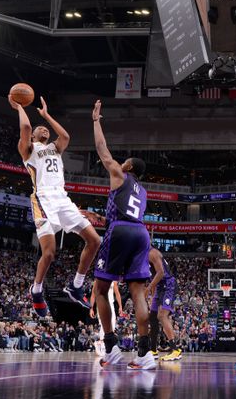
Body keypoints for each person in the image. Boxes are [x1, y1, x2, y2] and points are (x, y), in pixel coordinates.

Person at [9, 94, 101, 316]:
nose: (45, 130)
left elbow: (66, 135)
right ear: (32, 135)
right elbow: (25, 126)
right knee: (49, 254)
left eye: (46, 129)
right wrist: (20, 106)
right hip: (42, 199)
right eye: (41, 129)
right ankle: (37, 290)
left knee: (95, 240)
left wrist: (47, 116)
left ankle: (76, 286)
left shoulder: (55, 148)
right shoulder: (28, 149)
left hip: (62, 197)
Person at [91, 100, 154, 370]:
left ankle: (111, 347)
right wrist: (103, 219)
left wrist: (96, 121)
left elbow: (102, 151)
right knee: (138, 294)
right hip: (140, 232)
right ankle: (145, 355)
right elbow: (127, 215)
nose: (121, 162)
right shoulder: (143, 192)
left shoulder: (119, 173)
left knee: (100, 289)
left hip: (120, 232)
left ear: (128, 166)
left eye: (125, 161)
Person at [147, 247, 182, 361]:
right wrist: (152, 296)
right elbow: (154, 277)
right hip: (159, 287)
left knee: (162, 315)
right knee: (152, 317)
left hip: (168, 284)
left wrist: (148, 288)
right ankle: (153, 350)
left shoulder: (152, 253)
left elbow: (161, 273)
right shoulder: (142, 256)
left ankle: (175, 350)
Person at [89, 280, 122, 358]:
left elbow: (117, 294)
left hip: (111, 305)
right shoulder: (97, 280)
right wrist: (91, 308)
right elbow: (93, 295)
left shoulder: (114, 281)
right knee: (104, 325)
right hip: (101, 305)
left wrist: (120, 306)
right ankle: (102, 344)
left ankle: (100, 343)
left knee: (112, 326)